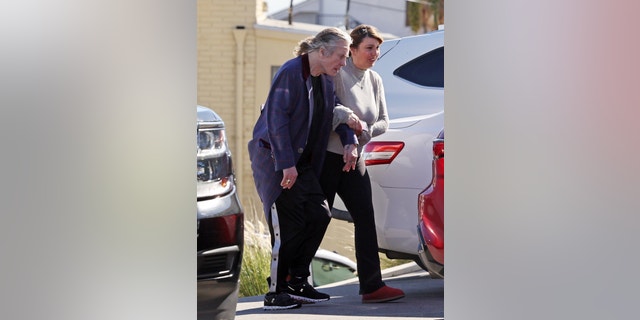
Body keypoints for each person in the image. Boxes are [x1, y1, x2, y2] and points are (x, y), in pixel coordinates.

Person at [247, 27, 355, 311]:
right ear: (322, 51)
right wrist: (286, 165)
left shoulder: (325, 79)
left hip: (301, 163)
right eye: (342, 56)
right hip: (276, 160)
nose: (344, 63)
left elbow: (337, 111)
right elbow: (276, 120)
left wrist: (349, 141)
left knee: (320, 215)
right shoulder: (291, 72)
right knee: (289, 224)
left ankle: (297, 281)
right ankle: (275, 292)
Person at [320, 24, 406, 303]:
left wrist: (362, 133)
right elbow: (329, 113)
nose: (375, 53)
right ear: (352, 50)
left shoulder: (375, 80)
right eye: (369, 48)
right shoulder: (337, 73)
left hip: (355, 159)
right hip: (329, 158)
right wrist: (349, 130)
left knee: (366, 219)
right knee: (317, 218)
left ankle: (372, 286)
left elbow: (383, 121)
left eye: (377, 48)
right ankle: (292, 280)